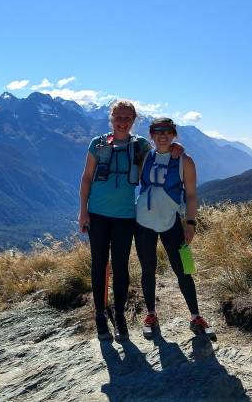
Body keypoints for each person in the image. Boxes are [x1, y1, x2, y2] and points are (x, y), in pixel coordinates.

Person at [78, 101, 180, 341]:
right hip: (98, 214)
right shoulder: (98, 143)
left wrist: (178, 148)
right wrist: (83, 211)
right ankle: (101, 315)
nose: (122, 121)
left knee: (121, 266)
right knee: (99, 265)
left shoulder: (141, 146)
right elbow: (86, 178)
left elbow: (162, 152)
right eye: (118, 117)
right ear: (111, 118)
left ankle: (120, 315)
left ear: (134, 120)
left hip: (125, 216)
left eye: (127, 118)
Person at [134, 117, 215, 341]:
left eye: (167, 131)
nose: (162, 135)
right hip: (142, 222)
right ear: (150, 134)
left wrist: (190, 222)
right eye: (157, 131)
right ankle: (151, 315)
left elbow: (190, 194)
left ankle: (196, 315)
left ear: (174, 134)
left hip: (171, 222)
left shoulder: (185, 160)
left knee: (183, 269)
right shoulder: (144, 156)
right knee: (147, 270)